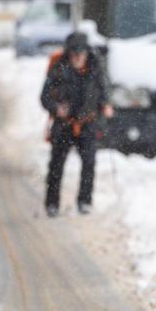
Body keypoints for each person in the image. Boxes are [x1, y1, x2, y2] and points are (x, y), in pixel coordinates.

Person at [39, 32, 113, 217]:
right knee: (56, 165)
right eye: (74, 53)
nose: (78, 57)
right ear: (69, 53)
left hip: (87, 123)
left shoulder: (96, 68)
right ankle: (52, 204)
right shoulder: (58, 68)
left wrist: (106, 105)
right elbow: (44, 97)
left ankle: (85, 202)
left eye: (81, 53)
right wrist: (56, 109)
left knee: (89, 163)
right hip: (63, 125)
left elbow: (104, 91)